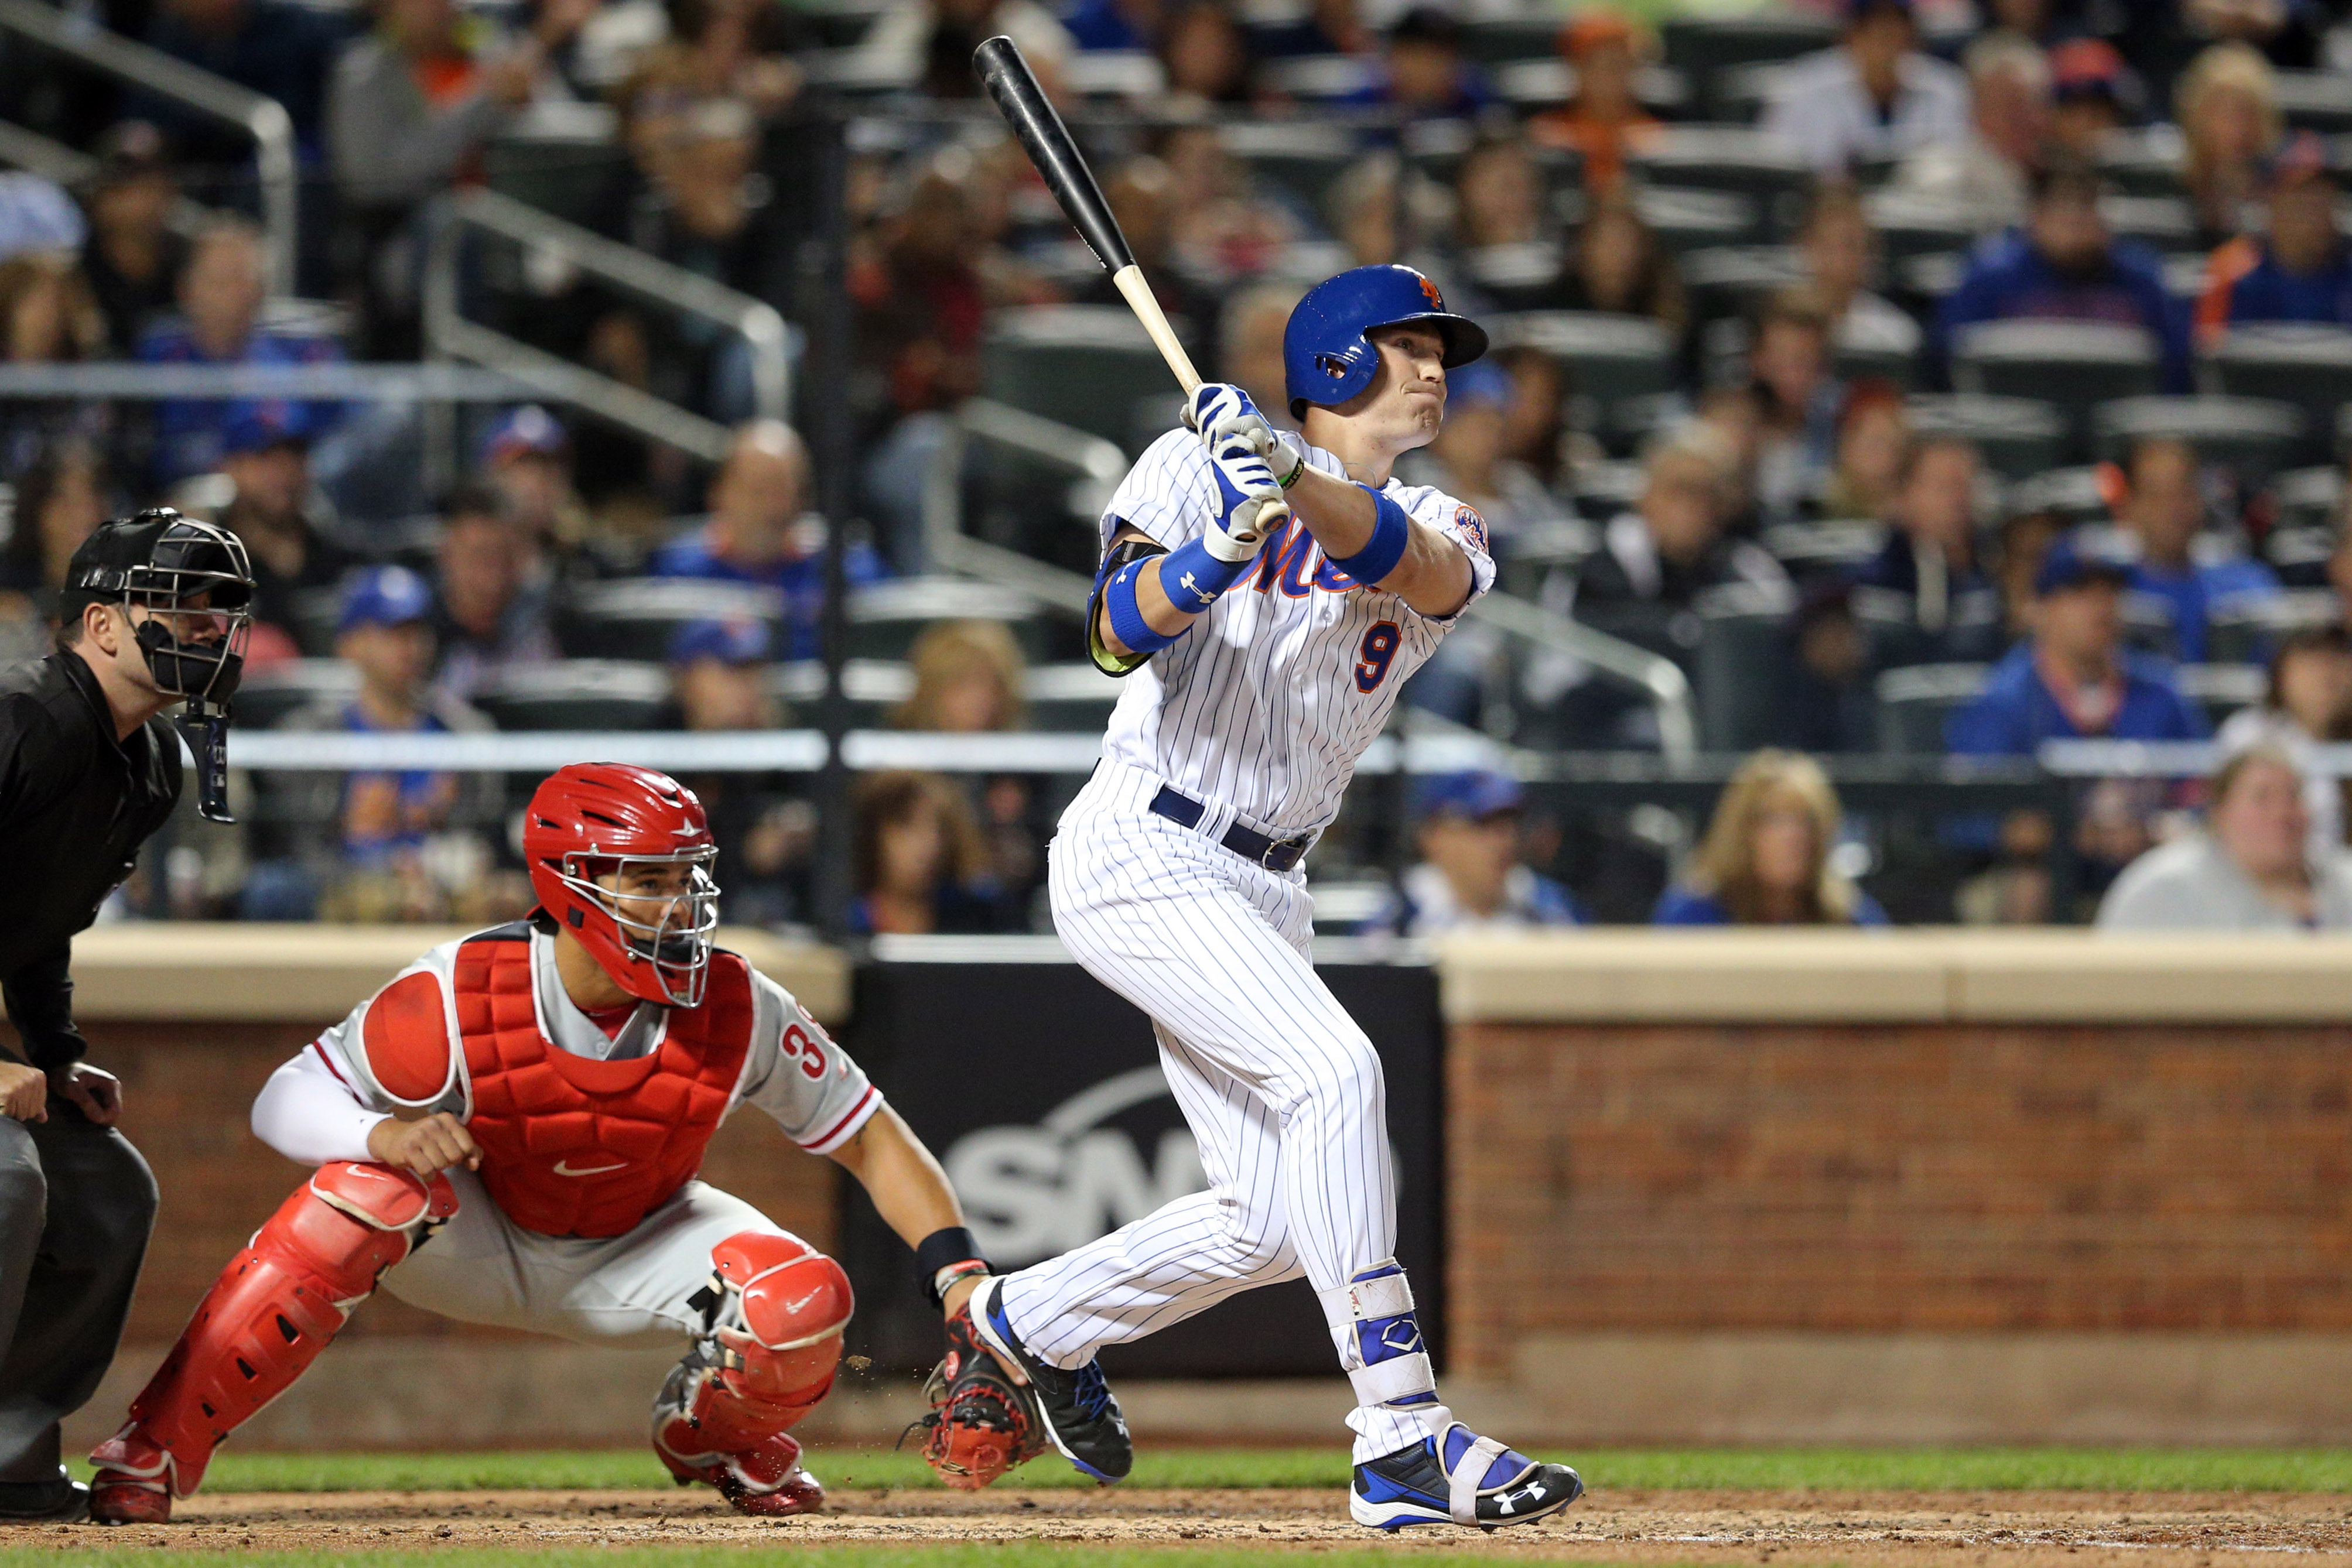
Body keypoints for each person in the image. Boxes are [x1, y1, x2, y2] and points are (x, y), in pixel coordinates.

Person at [916, 263, 1584, 1529]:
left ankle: (1023, 1319)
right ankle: (1399, 1434)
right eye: (1405, 344)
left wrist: (1289, 477)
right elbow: (1114, 632)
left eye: (1443, 348)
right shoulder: (1187, 467)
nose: (1437, 366)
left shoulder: (1448, 515)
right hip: (1143, 847)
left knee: (1277, 1222)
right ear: (1336, 358)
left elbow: (1409, 562)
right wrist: (1221, 539)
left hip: (1269, 884)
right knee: (1335, 1076)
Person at [88, 762, 995, 1523]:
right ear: (569, 885)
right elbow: (285, 1098)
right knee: (359, 1193)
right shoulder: (458, 991)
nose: (679, 907)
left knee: (807, 1301)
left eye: (687, 879)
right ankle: (154, 1445)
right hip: (478, 1236)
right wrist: (382, 1132)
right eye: (650, 880)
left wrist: (959, 1280)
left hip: (640, 1238)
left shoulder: (738, 998)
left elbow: (873, 1138)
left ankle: (715, 1435)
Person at [0, 510, 253, 1521]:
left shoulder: (150, 763)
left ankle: (8, 1447)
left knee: (105, 1190)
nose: (204, 628)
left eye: (217, 610)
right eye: (181, 604)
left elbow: (36, 915)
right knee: (6, 1178)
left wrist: (55, 1051)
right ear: (102, 625)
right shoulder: (22, 715)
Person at [271, 566, 501, 923]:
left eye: (418, 632)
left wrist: (438, 824)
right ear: (350, 644)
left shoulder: (464, 733)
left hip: (446, 892)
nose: (410, 647)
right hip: (347, 895)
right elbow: (299, 847)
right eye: (391, 633)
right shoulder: (310, 737)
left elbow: (485, 836)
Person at [1934, 154, 2193, 394]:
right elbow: (1949, 365)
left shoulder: (2141, 279)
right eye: (2062, 206)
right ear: (2035, 216)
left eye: (2087, 204)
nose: (2076, 219)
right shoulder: (1990, 279)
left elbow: (2175, 373)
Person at [1947, 532, 2206, 755]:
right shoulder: (2003, 704)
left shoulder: (2160, 692)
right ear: (2041, 608)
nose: (2100, 606)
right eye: (2080, 592)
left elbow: (2202, 793)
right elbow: (1975, 809)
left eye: (2110, 592)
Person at [650, 420, 886, 662]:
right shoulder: (678, 572)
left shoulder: (846, 566)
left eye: (784, 490)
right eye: (757, 490)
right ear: (718, 494)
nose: (772, 506)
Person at [136, 218, 345, 487]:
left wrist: (297, 473)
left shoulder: (304, 352)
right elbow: (146, 451)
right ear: (186, 290)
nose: (238, 295)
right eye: (222, 281)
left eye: (247, 280)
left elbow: (349, 434)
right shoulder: (158, 354)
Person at [2097, 747, 2352, 929]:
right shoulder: (2162, 888)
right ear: (2220, 812)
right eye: (2263, 798)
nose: (2283, 813)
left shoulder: (2344, 878)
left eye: (2294, 796)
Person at [1654, 750, 1891, 925]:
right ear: (1740, 830)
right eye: (1772, 819)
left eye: (1805, 820)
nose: (1792, 835)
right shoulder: (1692, 915)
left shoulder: (1852, 919)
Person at [1578, 423, 1789, 613]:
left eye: (1704, 493)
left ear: (1723, 508)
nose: (1690, 507)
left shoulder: (1747, 568)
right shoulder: (1602, 564)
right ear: (1645, 499)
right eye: (1678, 490)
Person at [2111, 434, 2278, 662]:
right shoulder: (2110, 597)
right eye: (2157, 496)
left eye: (2184, 492)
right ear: (2128, 508)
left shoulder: (2247, 585)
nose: (2173, 509)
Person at [1760, 0, 1969, 175]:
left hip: (1919, 214)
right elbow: (1779, 167)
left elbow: (1960, 164)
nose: (1886, 40)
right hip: (1832, 212)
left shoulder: (1946, 88)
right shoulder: (1801, 86)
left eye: (1896, 28)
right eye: (1874, 28)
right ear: (1851, 34)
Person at [1850, 436, 2005, 666]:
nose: (1959, 501)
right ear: (1903, 497)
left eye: (1967, 487)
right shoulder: (1868, 585)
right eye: (1945, 488)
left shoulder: (1999, 575)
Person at [213, 406, 350, 650]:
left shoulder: (333, 553)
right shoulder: (209, 559)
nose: (284, 473)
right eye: (266, 458)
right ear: (232, 466)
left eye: (295, 457)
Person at [1382, 769, 1582, 936]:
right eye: (1483, 826)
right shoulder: (1400, 916)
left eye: (1510, 826)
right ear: (1434, 836)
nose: (1504, 842)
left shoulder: (1553, 909)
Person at [2216, 625, 2352, 862]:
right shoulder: (2250, 734)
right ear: (2281, 674)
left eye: (2336, 660)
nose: (2326, 675)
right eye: (2312, 663)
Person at [2197, 132, 2352, 340]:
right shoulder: (2232, 273)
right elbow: (2208, 363)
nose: (2315, 210)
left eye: (2323, 196)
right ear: (2271, 201)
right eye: (2301, 198)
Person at [1894, 32, 2050, 228]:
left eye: (2036, 105)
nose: (2030, 120)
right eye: (2012, 107)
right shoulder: (1940, 181)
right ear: (1976, 111)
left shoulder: (2062, 172)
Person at [430, 486, 555, 706]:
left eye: (506, 559)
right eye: (478, 558)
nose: (493, 580)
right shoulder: (414, 637)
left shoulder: (551, 627)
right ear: (446, 556)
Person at [849, 768, 1009, 935]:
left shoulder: (978, 919)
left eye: (941, 828)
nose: (930, 846)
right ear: (873, 833)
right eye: (907, 826)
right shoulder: (847, 922)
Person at [76, 123, 188, 355]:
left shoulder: (190, 271)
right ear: (98, 195)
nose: (140, 195)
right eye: (124, 182)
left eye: (151, 180)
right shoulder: (74, 273)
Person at [1529, 10, 1659, 196]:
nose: (1618, 77)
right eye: (1608, 65)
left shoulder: (1654, 139)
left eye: (1627, 65)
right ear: (1578, 70)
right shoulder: (1546, 138)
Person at [2175, 42, 2281, 249]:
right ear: (2197, 115)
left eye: (2245, 112)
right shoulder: (2173, 182)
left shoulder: (2283, 185)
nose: (2234, 126)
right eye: (2220, 111)